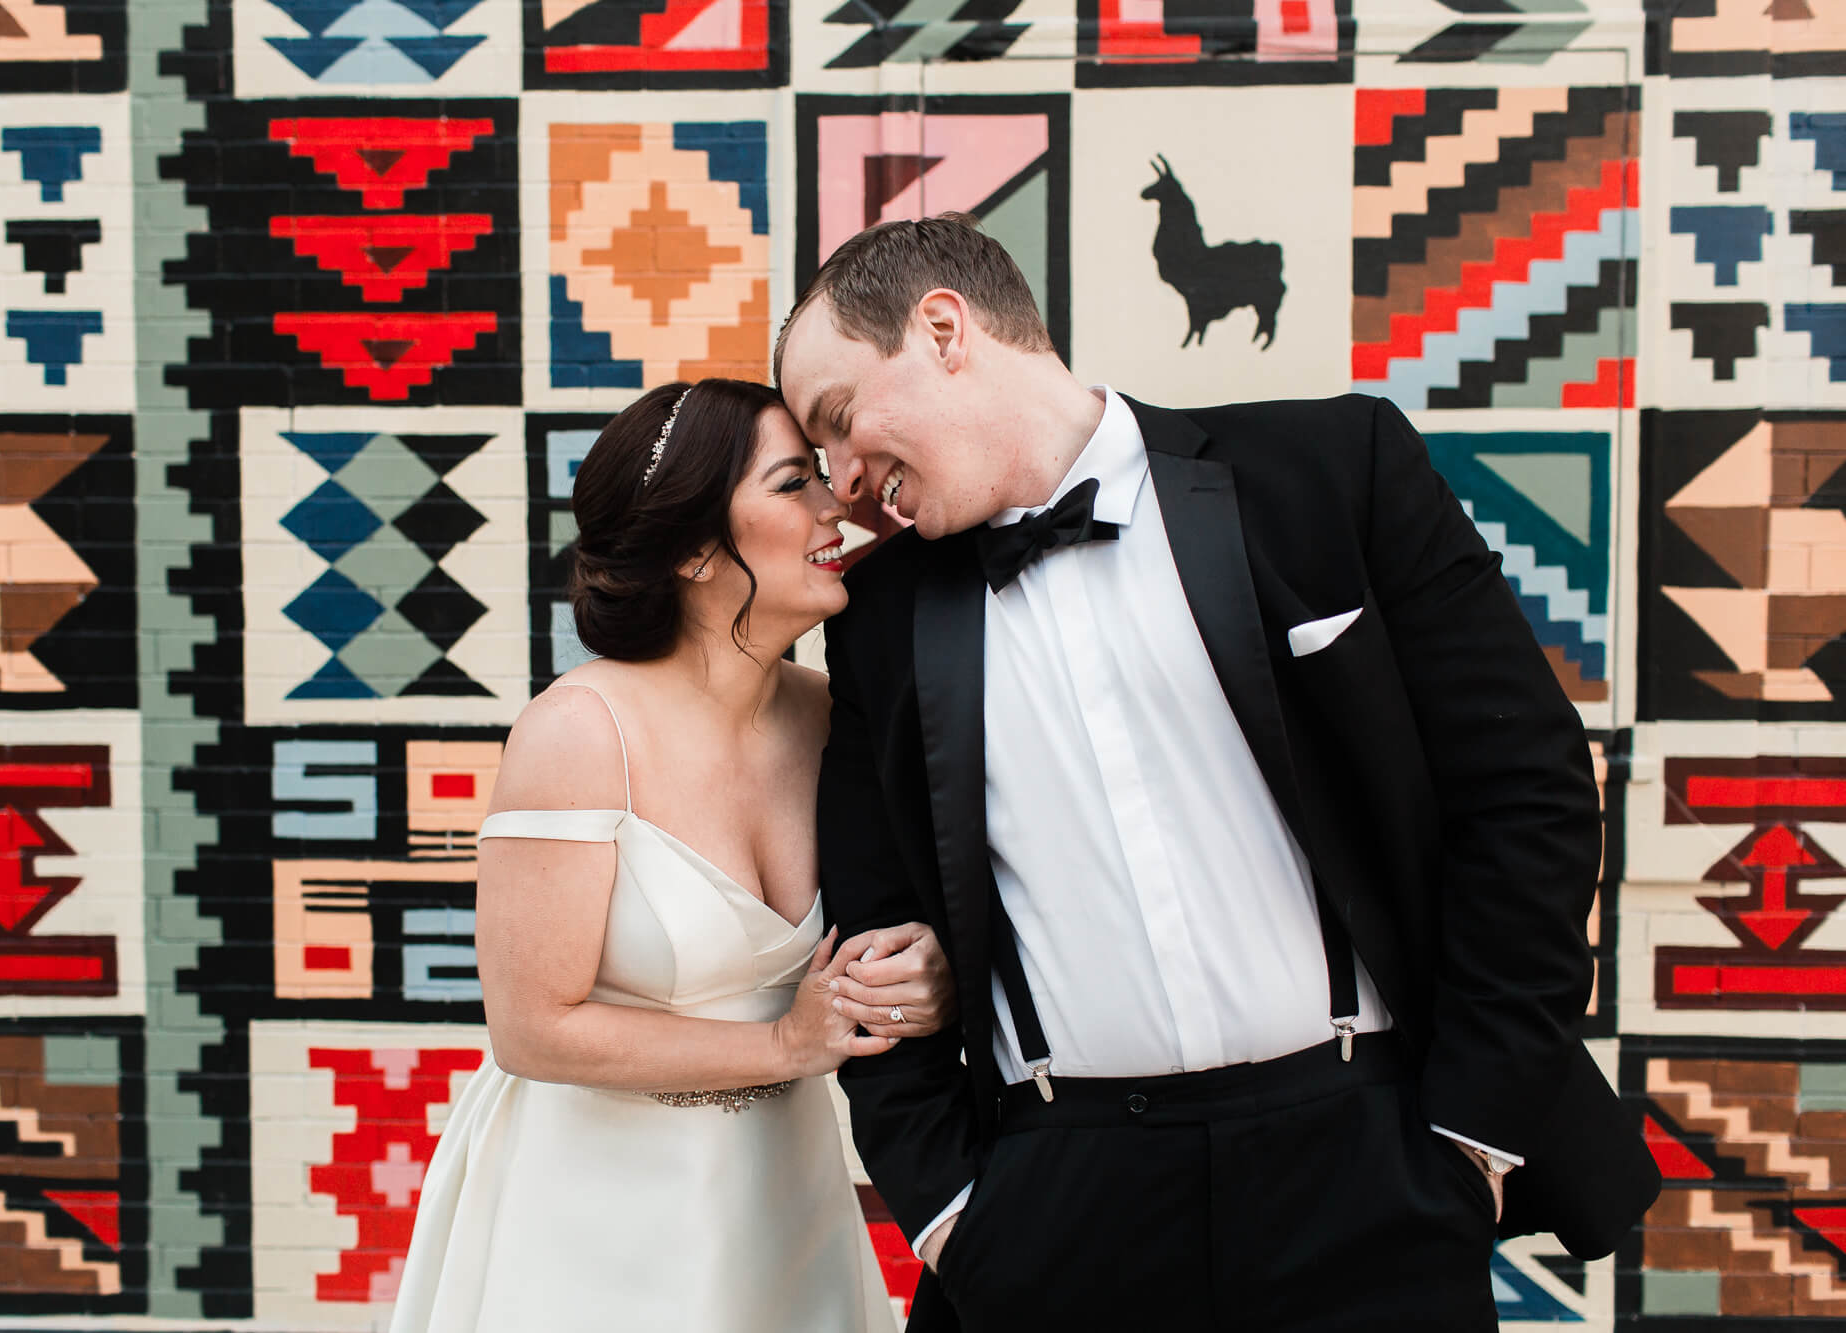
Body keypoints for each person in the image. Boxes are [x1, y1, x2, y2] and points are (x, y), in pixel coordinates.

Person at [776, 214, 1660, 1330]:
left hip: (1369, 1168)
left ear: (943, 329)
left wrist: (1470, 1139)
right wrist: (952, 1208)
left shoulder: (1332, 473)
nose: (844, 481)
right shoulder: (881, 621)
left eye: (840, 421)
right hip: (1053, 1205)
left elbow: (1525, 797)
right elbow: (877, 942)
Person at [387, 377, 957, 1333]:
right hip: (596, 1216)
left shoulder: (829, 718)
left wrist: (923, 975)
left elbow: (889, 928)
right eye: (792, 484)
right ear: (694, 548)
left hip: (785, 1199)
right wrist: (782, 1044)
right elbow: (532, 1028)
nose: (836, 507)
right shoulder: (578, 733)